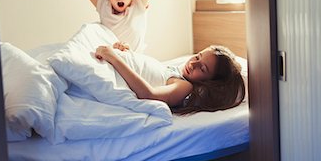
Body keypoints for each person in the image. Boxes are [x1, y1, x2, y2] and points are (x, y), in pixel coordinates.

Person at [95, 44, 246, 115]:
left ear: (209, 82)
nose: (193, 63)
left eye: (202, 68)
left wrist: (114, 58)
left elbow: (149, 94)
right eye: (197, 56)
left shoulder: (184, 86)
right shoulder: (178, 72)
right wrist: (127, 52)